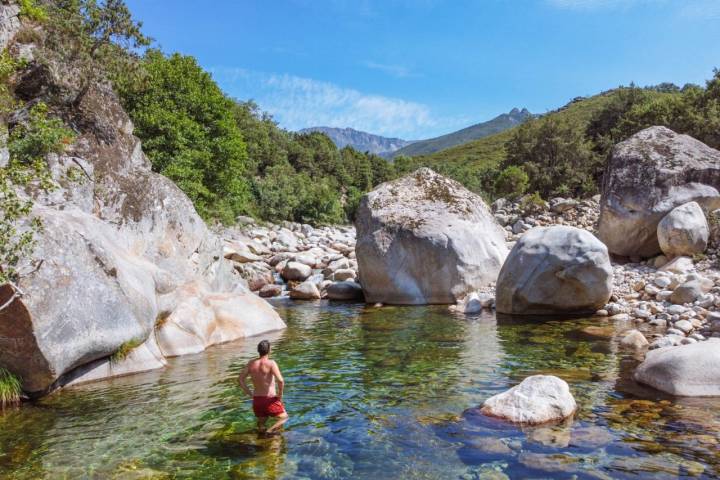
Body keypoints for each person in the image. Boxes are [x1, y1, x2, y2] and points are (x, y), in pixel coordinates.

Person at [238, 340, 289, 433]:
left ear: (258, 351)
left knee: (262, 422)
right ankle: (270, 431)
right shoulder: (271, 363)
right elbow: (281, 380)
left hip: (257, 400)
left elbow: (240, 379)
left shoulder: (251, 363)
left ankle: (262, 438)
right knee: (284, 418)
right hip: (270, 400)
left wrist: (250, 394)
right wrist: (280, 395)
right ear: (269, 350)